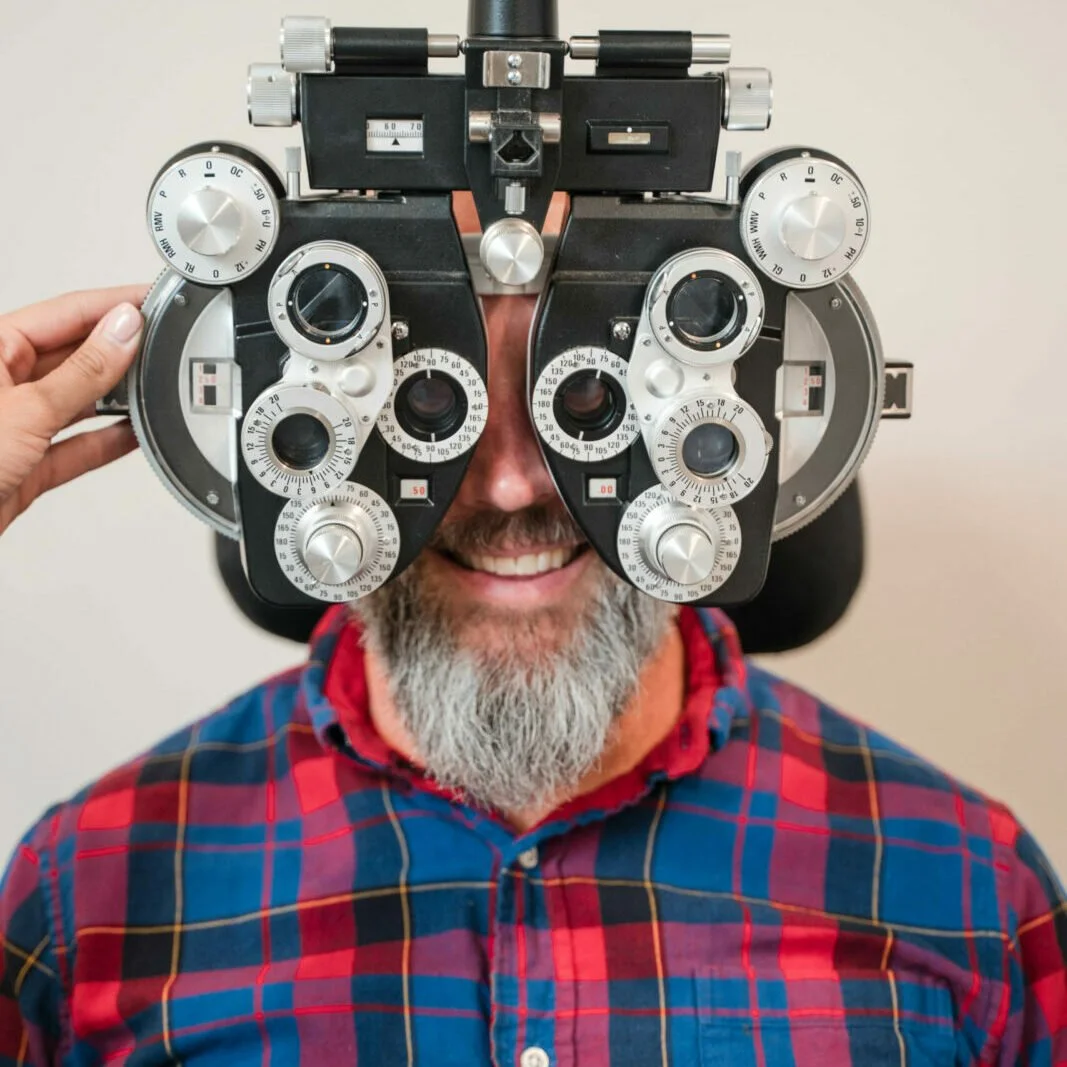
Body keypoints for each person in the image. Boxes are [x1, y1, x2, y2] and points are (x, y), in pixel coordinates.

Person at [0, 199, 1064, 1067]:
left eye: (587, 401)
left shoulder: (965, 892)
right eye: (427, 409)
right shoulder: (90, 891)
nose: (510, 483)